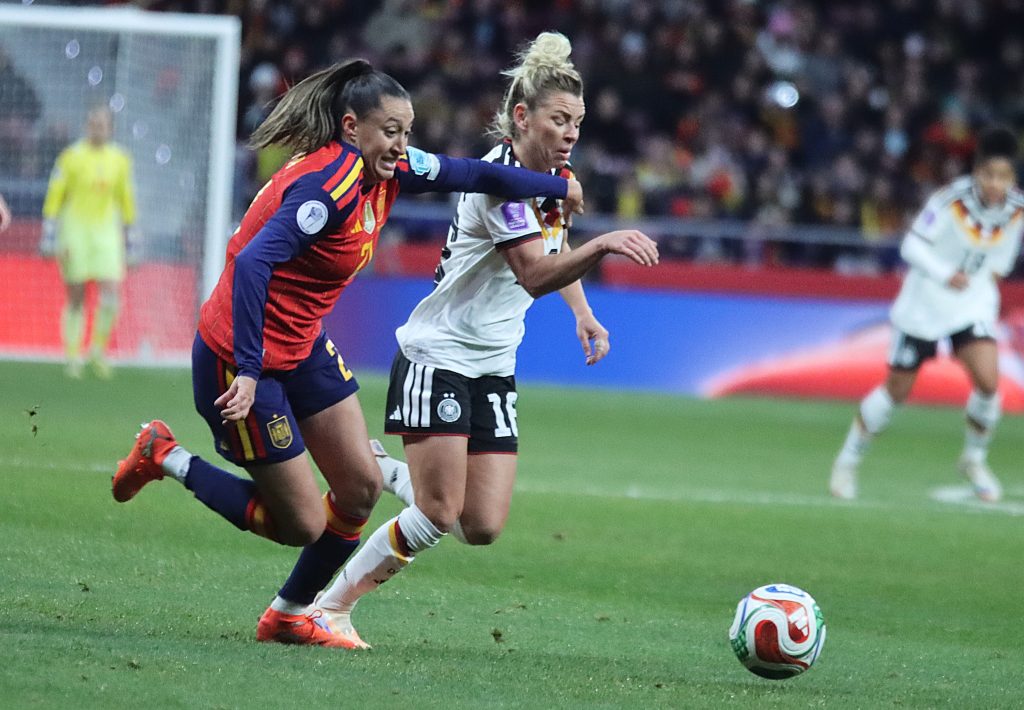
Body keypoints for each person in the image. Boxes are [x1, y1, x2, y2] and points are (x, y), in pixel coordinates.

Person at [110, 59, 584, 649]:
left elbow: (470, 172)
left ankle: (288, 616)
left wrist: (557, 186)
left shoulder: (392, 166)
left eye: (407, 132)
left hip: (302, 344)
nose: (402, 145)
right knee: (301, 523)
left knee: (359, 489)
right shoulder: (327, 187)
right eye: (390, 132)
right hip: (239, 355)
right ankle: (164, 454)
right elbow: (252, 264)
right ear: (352, 127)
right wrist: (251, 370)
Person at [313, 32, 659, 647]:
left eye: (577, 123)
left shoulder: (556, 177)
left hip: (494, 365)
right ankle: (329, 608)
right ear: (523, 117)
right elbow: (534, 273)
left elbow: (555, 248)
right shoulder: (501, 181)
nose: (571, 134)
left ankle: (386, 470)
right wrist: (605, 244)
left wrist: (582, 312)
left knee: (481, 525)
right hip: (440, 355)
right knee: (437, 514)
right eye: (560, 120)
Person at [829, 126, 1024, 503]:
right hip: (925, 304)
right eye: (989, 175)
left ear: (1013, 177)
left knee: (988, 382)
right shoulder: (950, 201)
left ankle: (974, 459)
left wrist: (987, 281)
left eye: (1004, 177)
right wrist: (944, 273)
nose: (995, 184)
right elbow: (912, 247)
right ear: (976, 172)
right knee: (897, 390)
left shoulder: (1016, 208)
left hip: (970, 303)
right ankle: (847, 461)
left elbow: (1004, 255)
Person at [40, 106, 137, 379]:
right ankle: (73, 355)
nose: (98, 129)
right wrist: (49, 233)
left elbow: (126, 198)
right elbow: (55, 194)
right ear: (87, 126)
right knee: (76, 295)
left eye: (102, 124)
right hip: (75, 231)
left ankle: (97, 349)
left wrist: (131, 236)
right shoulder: (70, 157)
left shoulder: (120, 159)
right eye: (94, 123)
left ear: (111, 128)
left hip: (106, 233)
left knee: (111, 292)